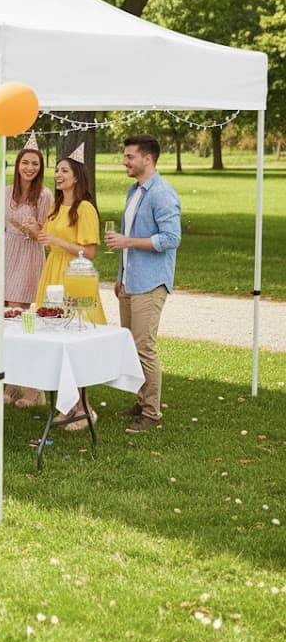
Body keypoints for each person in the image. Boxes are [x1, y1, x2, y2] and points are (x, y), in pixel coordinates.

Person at [105, 134, 181, 433]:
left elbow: (171, 239)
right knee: (131, 345)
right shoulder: (134, 190)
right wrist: (121, 276)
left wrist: (128, 242)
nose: (125, 161)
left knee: (144, 347)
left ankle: (151, 413)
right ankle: (140, 400)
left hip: (151, 282)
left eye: (129, 156)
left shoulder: (162, 193)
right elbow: (128, 239)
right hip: (130, 281)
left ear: (147, 159)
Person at [28, 144, 106, 426]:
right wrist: (33, 230)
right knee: (55, 336)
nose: (58, 175)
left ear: (76, 177)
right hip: (52, 274)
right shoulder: (55, 206)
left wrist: (58, 243)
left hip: (75, 276)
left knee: (75, 339)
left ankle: (85, 407)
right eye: (57, 171)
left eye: (64, 171)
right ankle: (69, 404)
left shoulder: (85, 209)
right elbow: (47, 239)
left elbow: (91, 251)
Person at [0, 135, 52, 405]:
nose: (30, 168)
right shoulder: (7, 191)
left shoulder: (45, 196)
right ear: (18, 165)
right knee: (0, 318)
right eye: (25, 162)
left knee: (18, 321)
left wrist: (31, 229)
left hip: (28, 255)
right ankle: (10, 383)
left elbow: (44, 235)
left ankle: (32, 389)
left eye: (35, 164)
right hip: (5, 256)